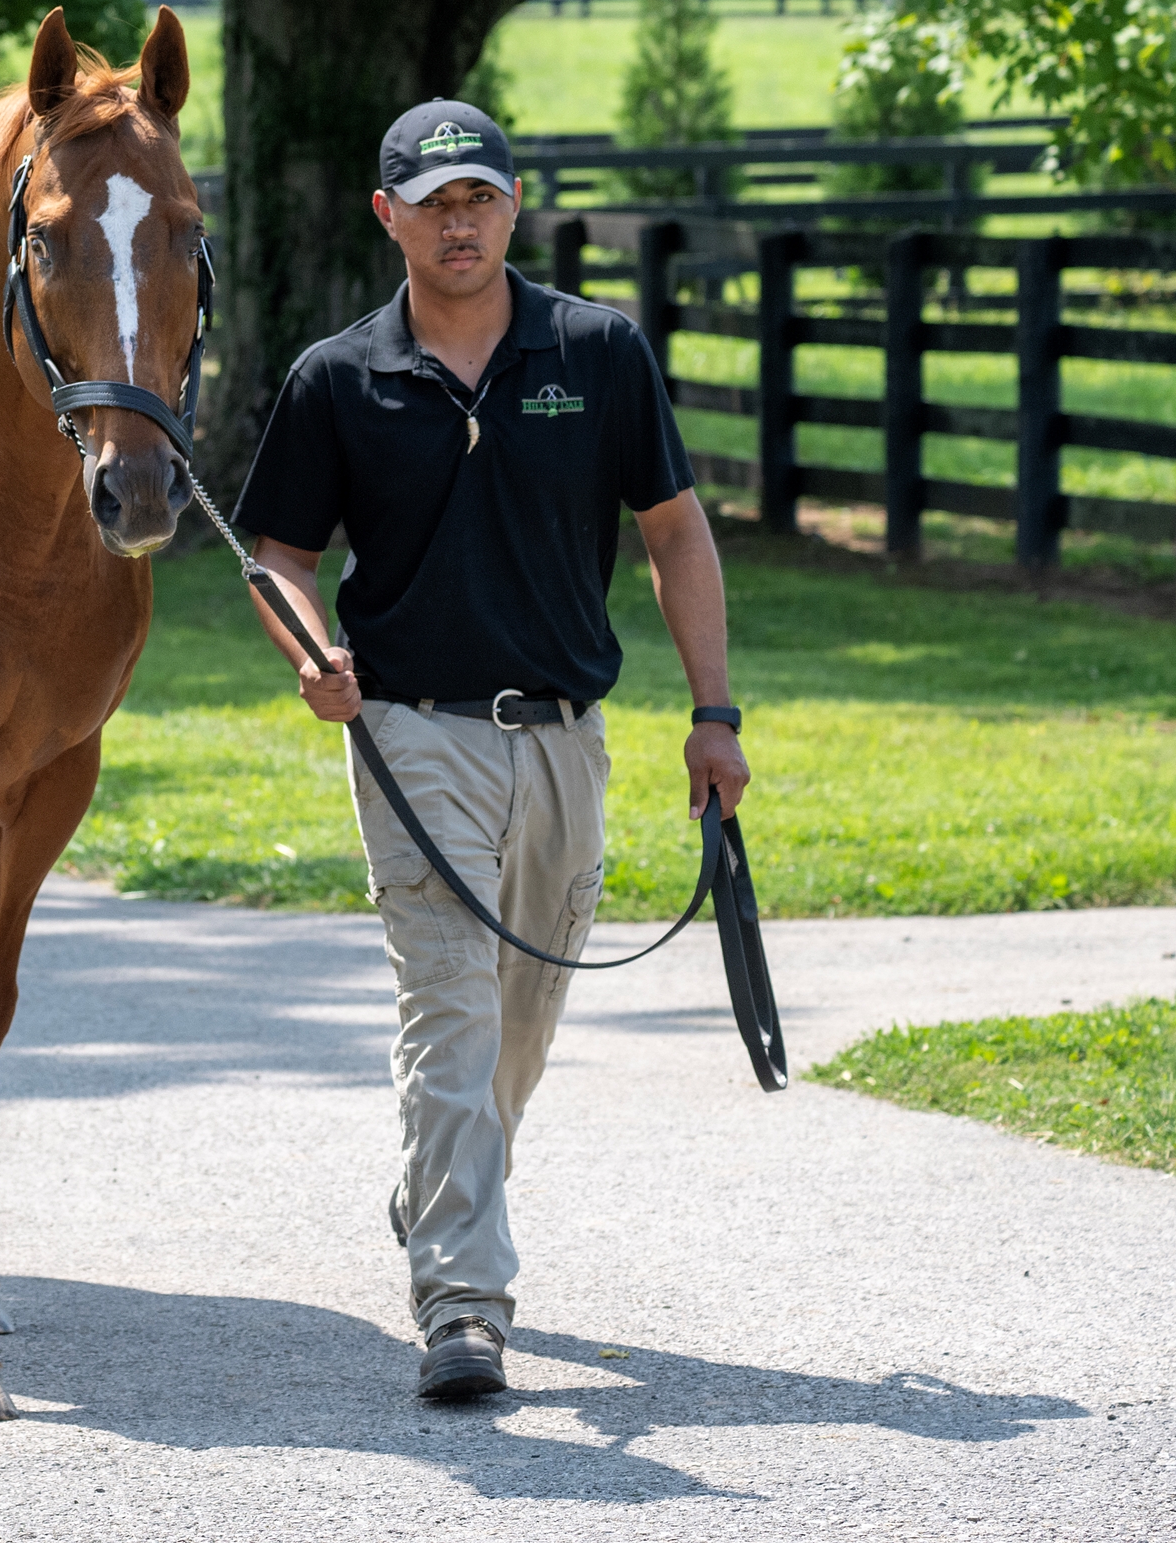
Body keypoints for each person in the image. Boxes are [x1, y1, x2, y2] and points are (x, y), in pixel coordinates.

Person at [230, 99, 750, 1402]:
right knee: (450, 1004)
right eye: (433, 201)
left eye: (479, 199)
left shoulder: (598, 350)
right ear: (387, 215)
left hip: (566, 740)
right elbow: (276, 552)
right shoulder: (335, 378)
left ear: (513, 206)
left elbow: (674, 533)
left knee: (520, 1016)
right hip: (411, 739)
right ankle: (462, 1301)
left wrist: (713, 711)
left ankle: (434, 1187)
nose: (458, 223)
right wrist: (308, 652)